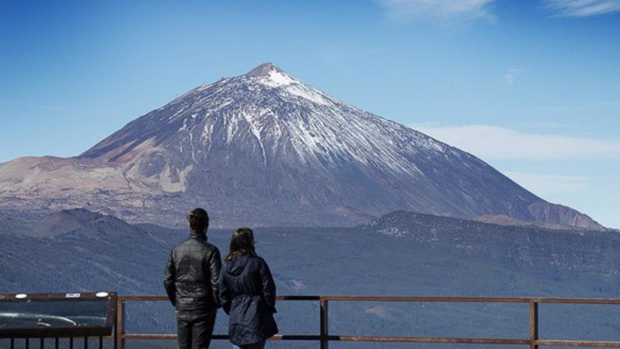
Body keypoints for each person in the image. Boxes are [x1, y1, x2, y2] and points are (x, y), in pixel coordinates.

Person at [164, 208, 222, 349]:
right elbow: (216, 282)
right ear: (206, 225)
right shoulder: (211, 251)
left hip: (182, 306)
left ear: (190, 225)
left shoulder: (177, 250)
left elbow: (168, 280)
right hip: (204, 307)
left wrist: (177, 300)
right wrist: (217, 302)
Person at [219, 228, 278, 349]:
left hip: (236, 318)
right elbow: (269, 289)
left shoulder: (225, 267)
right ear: (249, 243)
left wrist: (232, 310)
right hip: (257, 316)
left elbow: (222, 295)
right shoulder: (258, 263)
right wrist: (267, 308)